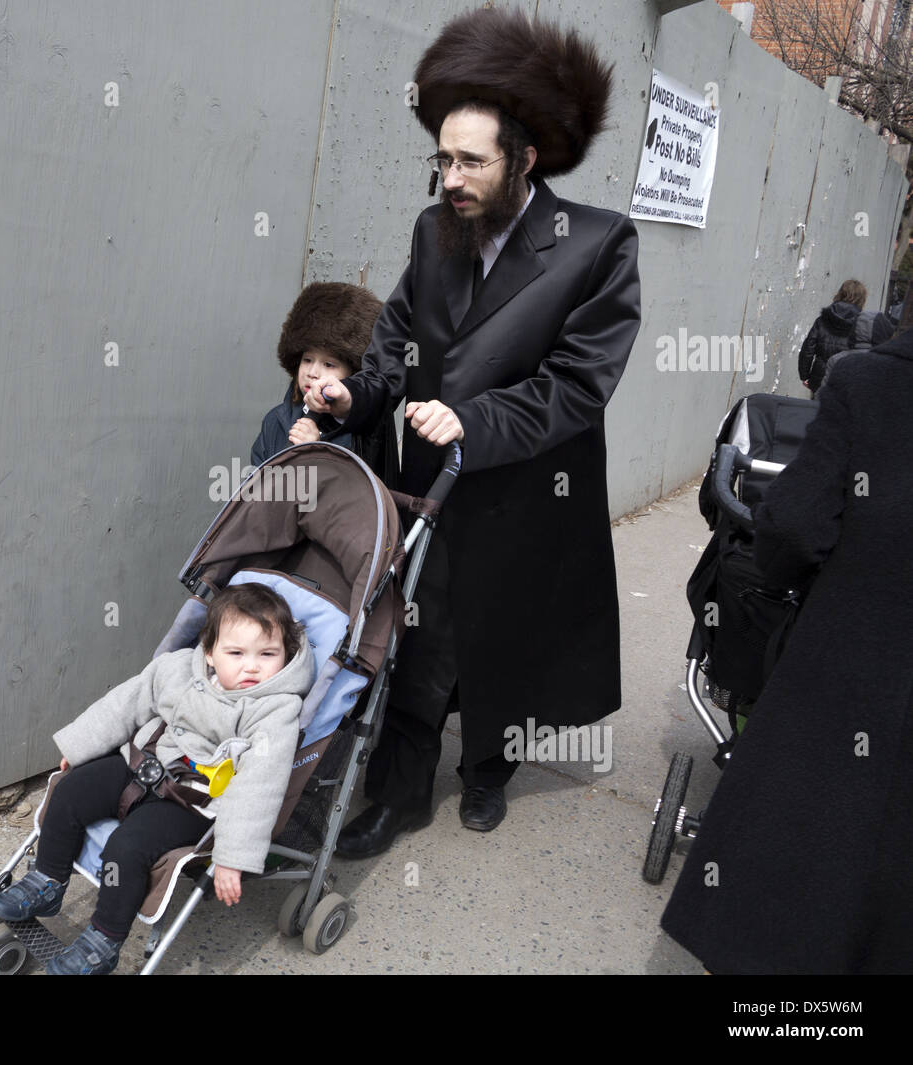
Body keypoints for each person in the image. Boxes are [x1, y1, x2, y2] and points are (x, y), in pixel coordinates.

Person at [306, 7, 641, 855]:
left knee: (509, 639)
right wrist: (359, 397)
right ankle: (400, 794)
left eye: (470, 161)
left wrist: (476, 418)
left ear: (524, 160)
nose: (450, 178)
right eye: (442, 159)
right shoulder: (434, 231)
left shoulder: (596, 246)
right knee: (420, 635)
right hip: (431, 484)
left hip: (530, 488)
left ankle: (490, 769)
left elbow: (578, 384)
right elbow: (395, 350)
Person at [661, 324, 913, 973]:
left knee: (799, 869)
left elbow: (795, 525)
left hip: (849, 665)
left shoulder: (866, 381)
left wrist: (781, 576)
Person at [0, 583, 314, 974]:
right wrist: (79, 746)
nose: (252, 666)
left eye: (268, 654)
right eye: (236, 653)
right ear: (209, 653)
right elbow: (125, 704)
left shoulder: (275, 711)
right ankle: (47, 879)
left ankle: (103, 940)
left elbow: (260, 786)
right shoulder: (176, 669)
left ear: (287, 656)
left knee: (126, 848)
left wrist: (232, 859)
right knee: (69, 792)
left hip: (193, 801)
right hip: (142, 763)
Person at [250, 282, 390, 473]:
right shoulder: (275, 420)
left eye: (329, 365)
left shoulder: (362, 431)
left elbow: (355, 493)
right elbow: (257, 488)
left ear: (354, 374)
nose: (312, 372)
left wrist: (314, 453)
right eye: (307, 360)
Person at [798, 279, 866, 395]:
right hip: (845, 379)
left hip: (819, 377)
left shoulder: (822, 320)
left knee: (815, 410)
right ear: (861, 299)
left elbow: (808, 350)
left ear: (840, 293)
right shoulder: (862, 325)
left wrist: (805, 376)